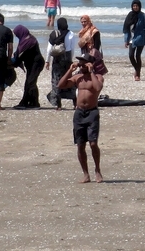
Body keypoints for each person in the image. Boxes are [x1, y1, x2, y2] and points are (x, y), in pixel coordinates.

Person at [57, 54, 105, 182]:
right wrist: (70, 70)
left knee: (93, 144)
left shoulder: (97, 77)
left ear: (90, 64)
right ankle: (85, 173)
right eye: (80, 63)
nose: (81, 65)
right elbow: (60, 85)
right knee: (80, 145)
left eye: (84, 63)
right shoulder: (78, 78)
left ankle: (97, 170)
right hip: (79, 113)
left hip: (92, 112)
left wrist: (91, 71)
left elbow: (98, 88)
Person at [45, 17, 77, 109]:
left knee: (56, 81)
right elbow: (72, 49)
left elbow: (49, 49)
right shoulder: (71, 34)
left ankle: (58, 105)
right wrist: (70, 60)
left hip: (57, 61)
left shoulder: (54, 34)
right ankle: (75, 103)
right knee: (70, 81)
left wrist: (47, 61)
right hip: (67, 60)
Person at [11, 25, 44, 109]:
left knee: (31, 83)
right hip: (31, 64)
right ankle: (25, 102)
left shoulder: (29, 41)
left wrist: (13, 63)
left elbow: (20, 55)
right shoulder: (25, 39)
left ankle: (35, 103)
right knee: (28, 82)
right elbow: (18, 53)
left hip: (36, 64)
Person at [122, 0, 145, 81]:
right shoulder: (130, 15)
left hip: (140, 38)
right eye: (134, 6)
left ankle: (138, 74)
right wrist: (126, 40)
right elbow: (126, 29)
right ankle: (137, 70)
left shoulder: (144, 16)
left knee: (138, 56)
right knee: (131, 55)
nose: (135, 7)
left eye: (137, 6)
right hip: (131, 38)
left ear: (139, 6)